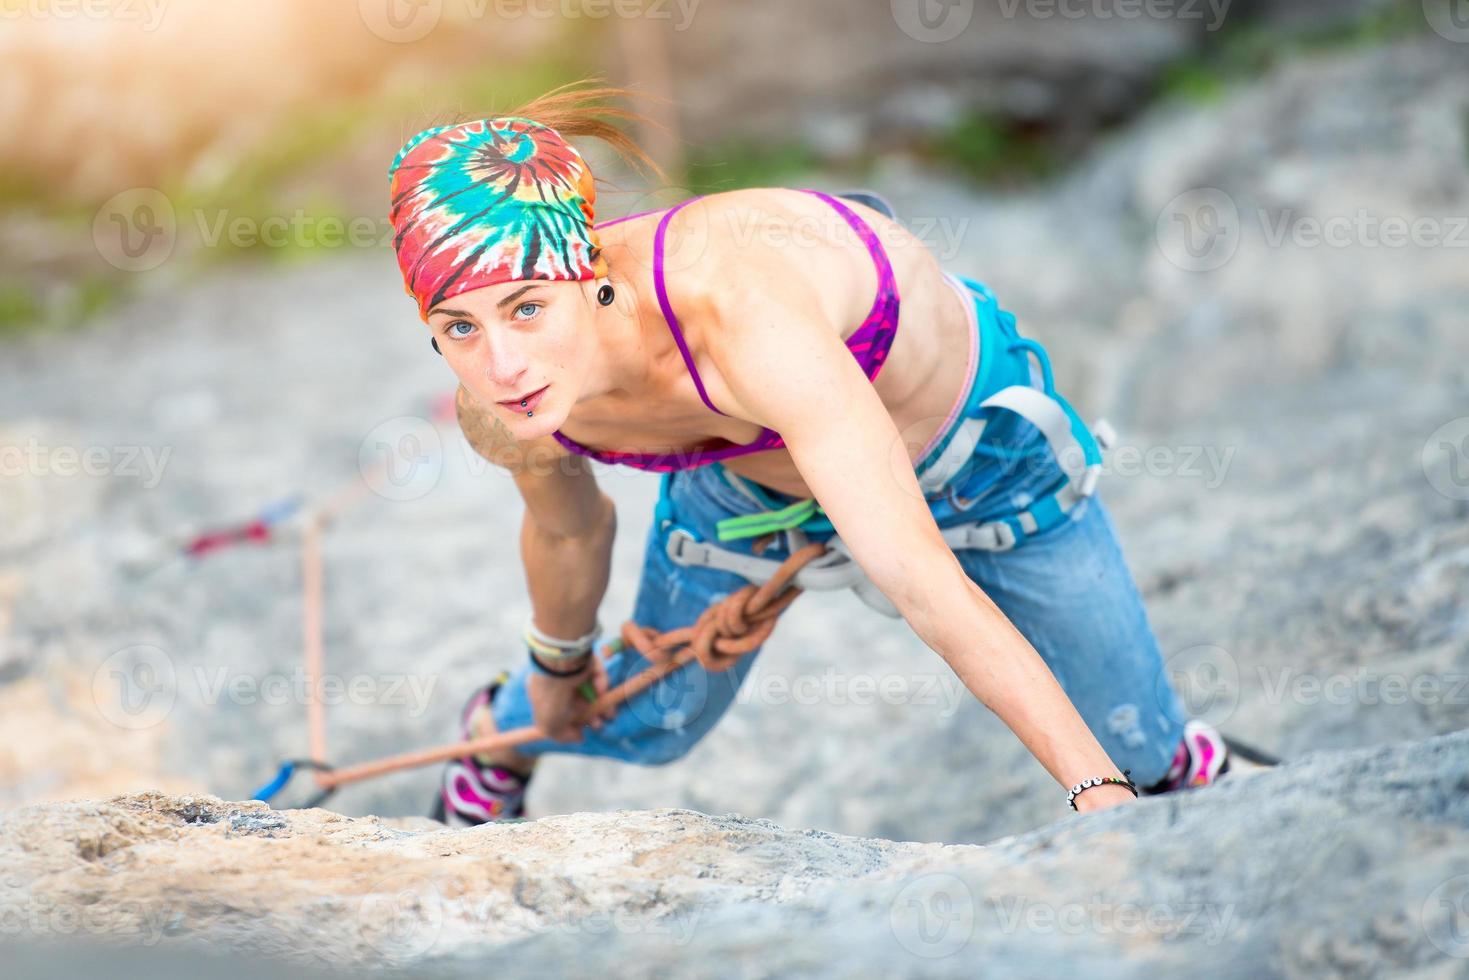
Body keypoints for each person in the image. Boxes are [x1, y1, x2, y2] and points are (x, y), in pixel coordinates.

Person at [384, 83, 1229, 827]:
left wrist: (1094, 794)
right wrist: (551, 676)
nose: (500, 365)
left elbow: (919, 577)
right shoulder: (503, 406)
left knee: (1140, 755)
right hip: (748, 478)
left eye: (526, 309)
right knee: (654, 718)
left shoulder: (739, 319)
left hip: (977, 461)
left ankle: (1165, 759)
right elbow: (569, 537)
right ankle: (490, 742)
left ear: (593, 273)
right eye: (459, 327)